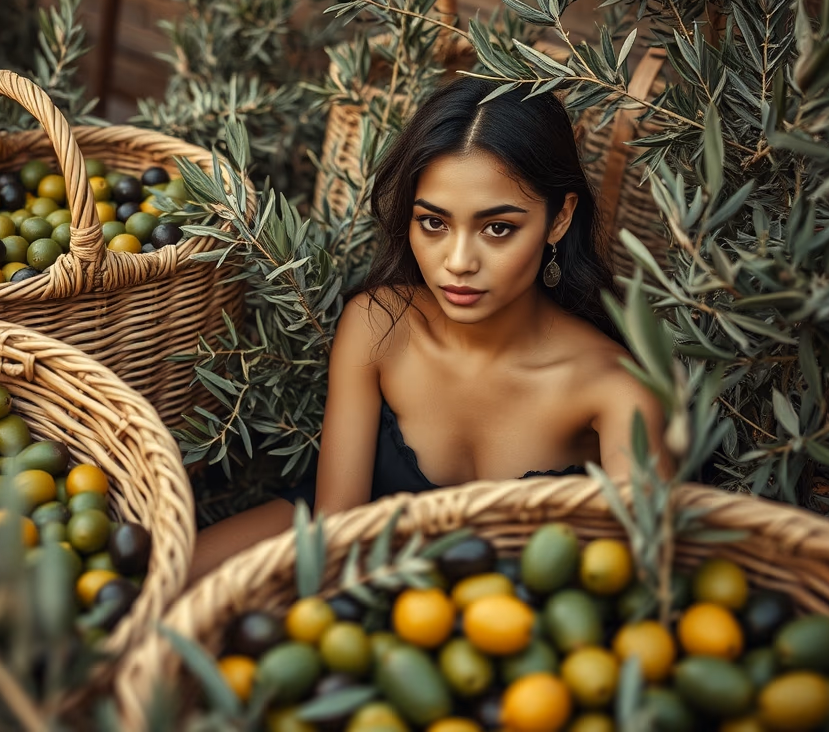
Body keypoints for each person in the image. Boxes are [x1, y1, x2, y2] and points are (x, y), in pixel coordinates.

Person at [187, 76, 669, 584]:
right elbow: (338, 528)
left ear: (558, 219)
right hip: (357, 552)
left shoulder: (617, 391)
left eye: (498, 228)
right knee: (162, 586)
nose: (457, 263)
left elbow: (637, 584)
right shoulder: (379, 326)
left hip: (509, 612)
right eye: (434, 223)